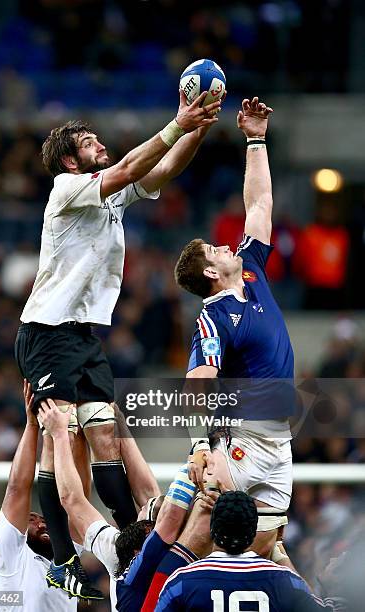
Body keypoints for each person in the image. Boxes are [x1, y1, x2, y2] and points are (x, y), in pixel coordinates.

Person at [14, 90, 221, 597]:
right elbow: (130, 168)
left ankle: (132, 539)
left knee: (105, 435)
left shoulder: (108, 194)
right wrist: (177, 121)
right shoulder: (67, 187)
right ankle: (64, 560)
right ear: (70, 159)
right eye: (89, 143)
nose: (99, 145)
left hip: (82, 336)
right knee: (55, 438)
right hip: (46, 332)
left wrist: (198, 129)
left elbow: (162, 170)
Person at [174, 97, 294, 547]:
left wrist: (256, 138)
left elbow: (260, 203)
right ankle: (159, 590)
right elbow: (197, 385)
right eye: (213, 249)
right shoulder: (214, 315)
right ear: (208, 272)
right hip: (244, 436)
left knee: (269, 542)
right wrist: (199, 447)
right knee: (206, 532)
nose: (224, 245)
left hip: (279, 436)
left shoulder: (250, 267)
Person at [38, 398, 201, 612]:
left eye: (144, 513)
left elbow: (72, 499)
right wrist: (121, 426)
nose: (141, 508)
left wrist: (59, 435)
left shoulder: (118, 556)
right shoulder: (180, 552)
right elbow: (148, 492)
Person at [0, 380, 101, 611]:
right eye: (36, 520)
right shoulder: (22, 555)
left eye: (36, 519)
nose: (41, 523)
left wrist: (39, 426)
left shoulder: (20, 555)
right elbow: (20, 489)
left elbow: (21, 489)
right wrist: (35, 426)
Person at [156, 491, 346, 611]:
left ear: (212, 530)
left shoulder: (181, 581)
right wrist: (334, 587)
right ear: (253, 531)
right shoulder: (285, 581)